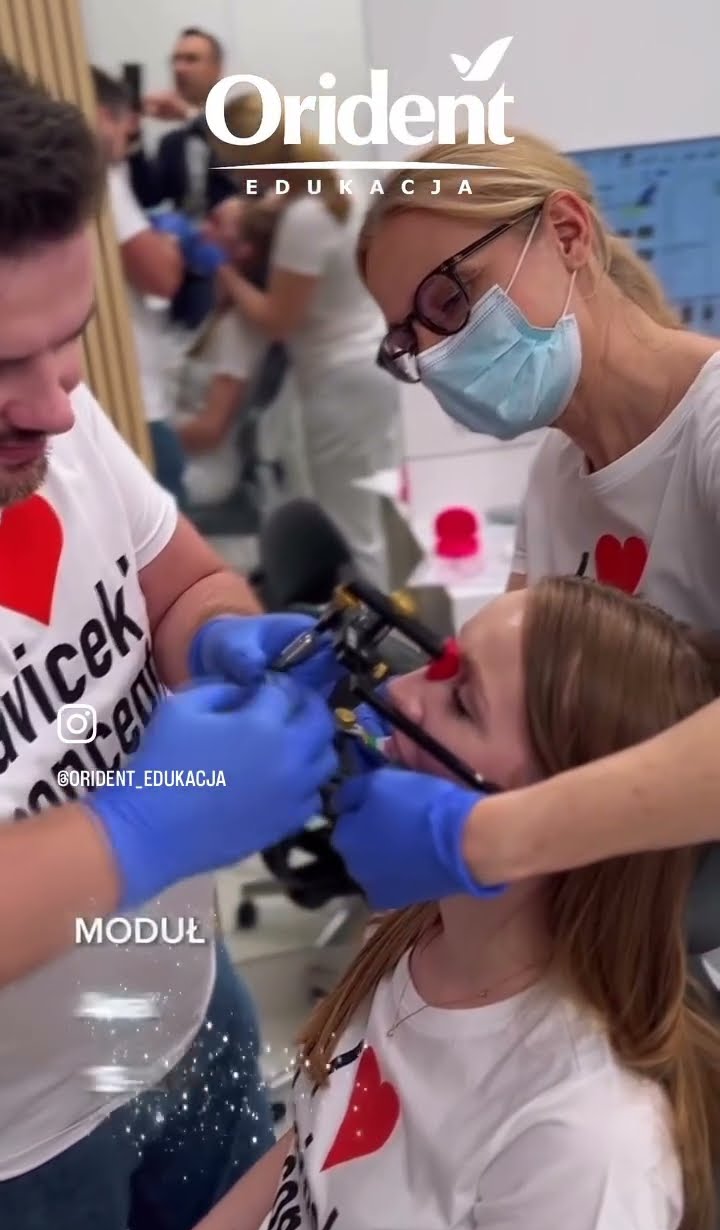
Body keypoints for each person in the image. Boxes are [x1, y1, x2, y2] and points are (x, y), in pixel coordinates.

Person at [134, 576, 720, 1230]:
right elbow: (310, 1155)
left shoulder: (585, 1139)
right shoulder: (415, 935)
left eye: (462, 702)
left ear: (561, 810)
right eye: (443, 661)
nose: (403, 694)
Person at [0, 58, 338, 1230]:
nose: (55, 408)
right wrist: (140, 825)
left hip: (186, 1010)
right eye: (2, 370)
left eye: (70, 344)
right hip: (22, 1146)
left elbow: (183, 576)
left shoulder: (57, 414)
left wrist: (218, 639)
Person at [264, 129, 720, 908]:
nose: (435, 354)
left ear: (568, 234)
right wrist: (380, 717)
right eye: (409, 339)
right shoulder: (559, 473)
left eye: (450, 299)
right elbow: (512, 701)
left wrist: (496, 837)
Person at [209, 92, 401, 587]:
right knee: (364, 516)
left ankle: (376, 631)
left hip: (339, 382)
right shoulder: (338, 182)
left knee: (350, 530)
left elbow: (278, 319)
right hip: (369, 367)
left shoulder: (307, 215)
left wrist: (224, 274)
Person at [92, 66, 188, 507]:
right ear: (101, 115)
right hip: (132, 403)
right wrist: (169, 245)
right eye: (124, 122)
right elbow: (161, 277)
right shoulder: (102, 179)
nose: (131, 133)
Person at [175, 200, 283, 507]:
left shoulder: (238, 331)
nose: (200, 229)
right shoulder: (219, 311)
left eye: (215, 222)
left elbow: (211, 430)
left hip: (202, 470)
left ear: (244, 250)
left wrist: (145, 434)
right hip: (184, 454)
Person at [128, 28, 236, 217]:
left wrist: (189, 114)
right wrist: (132, 133)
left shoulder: (242, 127)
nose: (179, 69)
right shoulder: (172, 143)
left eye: (191, 59)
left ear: (217, 69)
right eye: (175, 60)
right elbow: (148, 197)